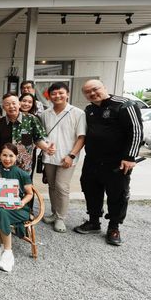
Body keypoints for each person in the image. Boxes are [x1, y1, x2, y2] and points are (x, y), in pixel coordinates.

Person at [75, 79, 143, 246]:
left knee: (117, 194)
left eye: (95, 89)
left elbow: (136, 131)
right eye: (88, 92)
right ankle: (94, 221)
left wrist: (130, 157)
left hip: (117, 162)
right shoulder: (89, 109)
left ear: (104, 87)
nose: (92, 93)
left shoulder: (124, 105)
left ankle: (114, 227)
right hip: (92, 160)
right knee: (90, 189)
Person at [38, 82, 86, 233]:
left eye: (61, 93)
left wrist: (71, 155)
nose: (57, 96)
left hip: (67, 157)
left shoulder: (78, 113)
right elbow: (41, 135)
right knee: (52, 186)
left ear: (67, 94)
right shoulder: (45, 114)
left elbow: (81, 137)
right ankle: (54, 213)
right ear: (49, 96)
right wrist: (45, 148)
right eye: (54, 93)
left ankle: (60, 218)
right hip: (49, 157)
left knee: (62, 187)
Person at [0, 143, 34, 273]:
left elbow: (30, 194)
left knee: (2, 213)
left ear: (16, 157)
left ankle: (8, 252)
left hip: (18, 208)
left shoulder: (22, 174)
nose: (7, 159)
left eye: (11, 156)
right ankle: (3, 247)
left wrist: (22, 202)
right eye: (4, 155)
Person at [0, 94, 55, 174]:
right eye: (7, 104)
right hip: (3, 164)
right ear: (3, 107)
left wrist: (47, 148)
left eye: (14, 103)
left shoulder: (31, 119)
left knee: (25, 182)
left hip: (24, 165)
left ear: (19, 104)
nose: (11, 106)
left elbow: (38, 139)